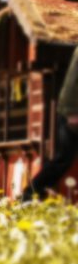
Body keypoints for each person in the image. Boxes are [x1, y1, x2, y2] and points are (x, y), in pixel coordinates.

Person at [27, 54, 78, 200]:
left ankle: (33, 191)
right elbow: (72, 84)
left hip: (70, 111)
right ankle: (31, 192)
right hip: (72, 112)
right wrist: (72, 111)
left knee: (63, 159)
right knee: (63, 159)